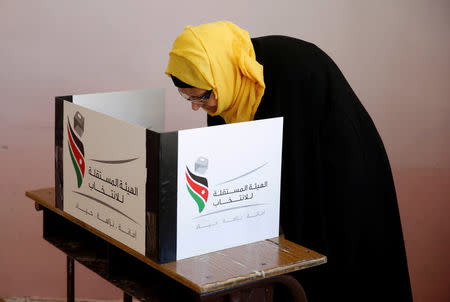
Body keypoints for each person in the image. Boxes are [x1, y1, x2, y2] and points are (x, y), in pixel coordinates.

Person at [166, 21, 412, 302]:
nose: (197, 106)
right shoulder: (224, 87)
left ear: (218, 75)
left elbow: (296, 173)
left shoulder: (289, 74)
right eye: (188, 97)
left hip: (338, 178)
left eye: (200, 96)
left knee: (341, 274)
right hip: (301, 177)